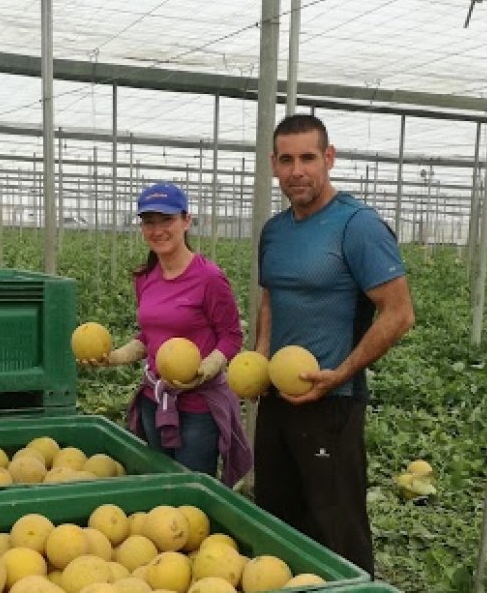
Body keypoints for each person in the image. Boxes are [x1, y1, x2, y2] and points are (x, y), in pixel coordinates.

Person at [254, 114, 415, 576]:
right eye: (287, 160)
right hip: (277, 399)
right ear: (274, 164)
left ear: (329, 158)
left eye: (308, 157)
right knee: (276, 519)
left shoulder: (357, 225)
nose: (297, 170)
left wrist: (340, 373)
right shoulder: (275, 231)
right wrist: (262, 354)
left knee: (336, 530)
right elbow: (272, 297)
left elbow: (399, 313)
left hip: (332, 404)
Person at [79, 182, 251, 487]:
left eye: (166, 220)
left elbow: (231, 337)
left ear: (186, 221)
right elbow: (149, 336)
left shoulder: (209, 278)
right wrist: (115, 357)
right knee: (158, 486)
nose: (157, 230)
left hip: (198, 408)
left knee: (189, 492)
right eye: (149, 222)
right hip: (154, 401)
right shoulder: (145, 278)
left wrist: (205, 369)